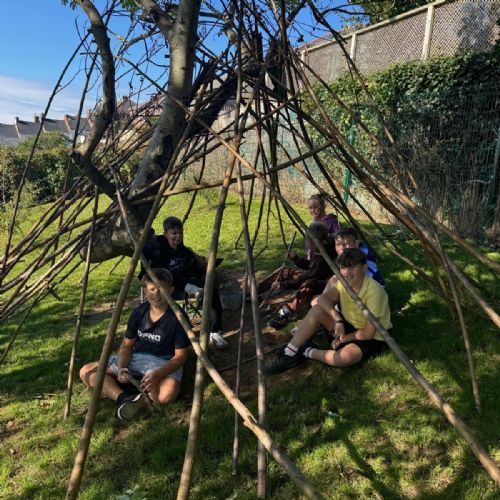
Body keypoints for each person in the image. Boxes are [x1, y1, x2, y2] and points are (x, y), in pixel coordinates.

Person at [79, 268, 190, 421]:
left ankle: (139, 397)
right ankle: (123, 398)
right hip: (136, 358)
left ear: (171, 290)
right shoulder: (139, 312)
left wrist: (158, 374)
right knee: (86, 372)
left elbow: (181, 357)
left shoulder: (178, 317)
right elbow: (127, 345)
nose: (156, 294)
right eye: (152, 289)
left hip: (163, 362)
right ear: (145, 291)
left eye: (161, 289)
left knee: (166, 394)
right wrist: (122, 368)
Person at [265, 248, 391, 375]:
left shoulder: (374, 292)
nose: (347, 272)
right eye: (343, 268)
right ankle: (289, 354)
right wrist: (338, 320)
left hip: (372, 337)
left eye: (352, 267)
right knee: (317, 310)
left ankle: (306, 351)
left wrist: (343, 339)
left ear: (364, 267)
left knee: (347, 357)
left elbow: (368, 333)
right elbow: (323, 299)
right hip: (347, 325)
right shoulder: (344, 283)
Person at [140, 216, 228, 349]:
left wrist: (208, 269)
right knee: (169, 273)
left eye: (180, 233)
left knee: (211, 290)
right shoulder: (157, 250)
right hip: (167, 290)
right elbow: (151, 272)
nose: (178, 236)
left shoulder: (183, 251)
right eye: (174, 233)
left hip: (188, 286)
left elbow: (194, 266)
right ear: (166, 234)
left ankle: (215, 332)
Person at [266, 222, 337, 329]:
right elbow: (311, 266)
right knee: (284, 271)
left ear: (314, 241)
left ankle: (284, 314)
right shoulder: (320, 248)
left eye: (309, 241)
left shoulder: (323, 253)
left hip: (325, 284)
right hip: (314, 276)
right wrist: (295, 258)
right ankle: (256, 291)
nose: (308, 243)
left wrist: (282, 285)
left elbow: (307, 277)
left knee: (307, 285)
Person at [305, 194, 340, 261]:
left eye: (315, 207)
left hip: (327, 257)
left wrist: (324, 236)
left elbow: (338, 237)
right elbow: (308, 242)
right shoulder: (312, 223)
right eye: (310, 208)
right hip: (313, 257)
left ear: (323, 206)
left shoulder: (332, 221)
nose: (312, 210)